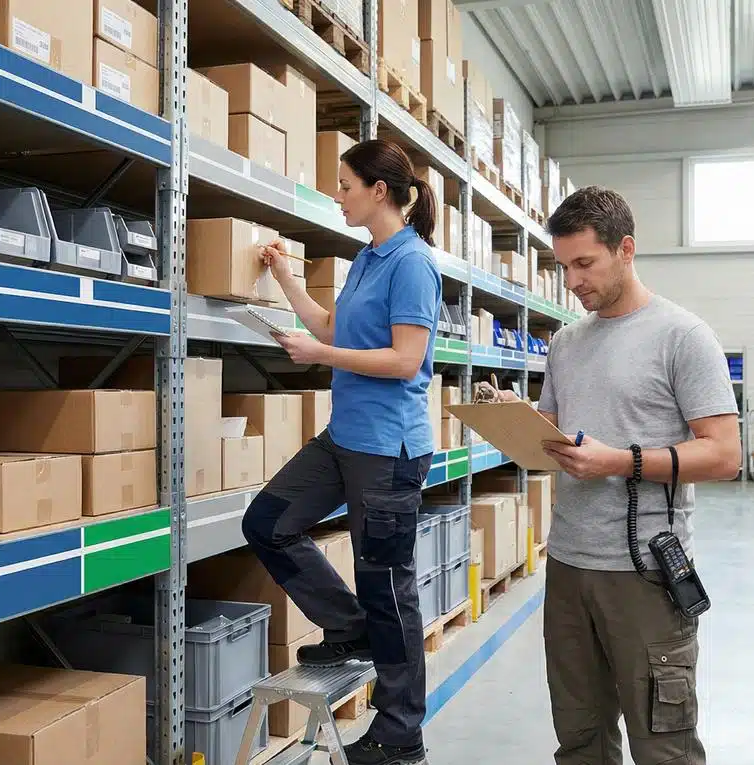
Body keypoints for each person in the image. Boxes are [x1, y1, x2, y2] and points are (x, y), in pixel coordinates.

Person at [492, 186, 740, 764]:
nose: (573, 281)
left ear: (625, 249)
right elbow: (550, 431)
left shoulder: (683, 337)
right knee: (580, 737)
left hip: (645, 572)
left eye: (585, 264)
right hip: (570, 565)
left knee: (663, 745)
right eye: (563, 266)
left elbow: (724, 455)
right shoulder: (566, 342)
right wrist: (509, 416)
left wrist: (621, 461)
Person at [242, 138, 442, 765]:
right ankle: (349, 627)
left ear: (379, 190)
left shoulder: (413, 262)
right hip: (344, 437)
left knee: (387, 584)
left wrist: (321, 357)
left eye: (346, 185)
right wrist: (284, 282)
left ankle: (400, 735)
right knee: (268, 523)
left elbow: (406, 360)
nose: (338, 194)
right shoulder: (366, 258)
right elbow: (331, 329)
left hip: (389, 449)